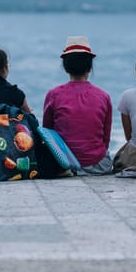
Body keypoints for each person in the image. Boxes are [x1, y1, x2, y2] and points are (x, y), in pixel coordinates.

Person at [43, 36, 113, 175]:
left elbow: (48, 134)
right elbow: (106, 139)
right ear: (89, 66)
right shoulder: (103, 96)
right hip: (97, 165)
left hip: (63, 164)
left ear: (65, 67)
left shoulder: (53, 95)